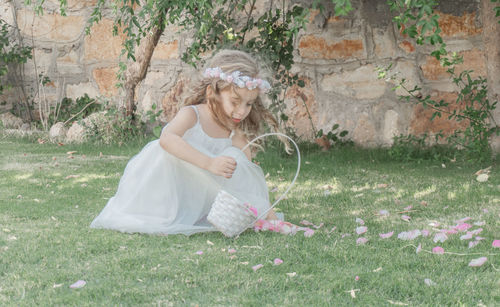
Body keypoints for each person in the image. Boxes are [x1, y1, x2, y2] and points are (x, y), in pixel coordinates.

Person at [90, 49, 289, 236]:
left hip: (199, 195)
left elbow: (246, 181)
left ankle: (208, 213)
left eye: (249, 104)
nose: (242, 111)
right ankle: (162, 211)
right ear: (213, 93)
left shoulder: (233, 132)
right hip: (169, 186)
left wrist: (269, 216)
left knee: (237, 158)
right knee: (167, 152)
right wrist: (210, 163)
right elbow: (166, 139)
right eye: (235, 102)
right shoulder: (192, 115)